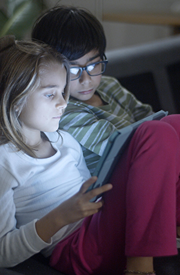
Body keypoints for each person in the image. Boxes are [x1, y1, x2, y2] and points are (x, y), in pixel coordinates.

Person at [1, 35, 180, 275]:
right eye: (50, 95)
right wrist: (59, 217)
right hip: (77, 251)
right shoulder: (5, 162)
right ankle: (139, 272)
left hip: (100, 226)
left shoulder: (64, 141)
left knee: (174, 123)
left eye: (63, 92)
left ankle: (168, 227)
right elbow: (3, 254)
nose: (63, 103)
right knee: (154, 132)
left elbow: (94, 193)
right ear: (16, 100)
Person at [31, 6, 154, 174]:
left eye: (94, 65)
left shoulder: (109, 85)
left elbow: (148, 116)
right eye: (73, 70)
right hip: (119, 180)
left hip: (147, 162)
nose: (86, 80)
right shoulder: (62, 110)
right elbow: (124, 149)